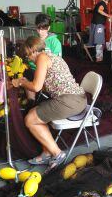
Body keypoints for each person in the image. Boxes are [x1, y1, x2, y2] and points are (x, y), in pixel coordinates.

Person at [13, 36, 87, 170]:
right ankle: (47, 152)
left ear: (32, 51)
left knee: (30, 120)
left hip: (70, 100)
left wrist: (21, 82)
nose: (27, 58)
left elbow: (36, 87)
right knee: (35, 113)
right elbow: (46, 85)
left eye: (27, 55)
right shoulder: (49, 56)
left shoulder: (41, 58)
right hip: (76, 98)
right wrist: (26, 82)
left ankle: (57, 154)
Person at [24, 13, 63, 102]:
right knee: (26, 72)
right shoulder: (34, 41)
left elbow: (58, 61)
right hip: (34, 69)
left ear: (48, 28)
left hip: (48, 72)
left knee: (29, 77)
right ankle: (31, 101)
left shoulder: (55, 42)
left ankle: (34, 100)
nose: (40, 32)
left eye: (43, 29)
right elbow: (29, 57)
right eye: (38, 28)